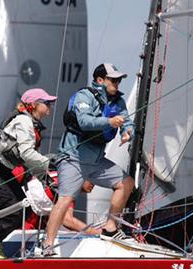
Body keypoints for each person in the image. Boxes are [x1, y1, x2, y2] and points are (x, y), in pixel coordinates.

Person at [44, 63, 135, 252]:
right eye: (113, 80)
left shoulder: (118, 101)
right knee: (65, 199)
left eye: (119, 80)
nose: (117, 83)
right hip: (73, 158)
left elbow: (126, 120)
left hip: (95, 161)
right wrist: (109, 121)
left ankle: (110, 228)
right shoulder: (85, 96)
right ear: (100, 80)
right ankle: (47, 244)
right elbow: (85, 122)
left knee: (126, 183)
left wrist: (127, 132)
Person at [0, 88, 57, 259]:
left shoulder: (29, 122)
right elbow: (26, 154)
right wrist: (50, 164)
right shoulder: (24, 122)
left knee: (22, 207)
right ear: (33, 105)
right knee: (14, 211)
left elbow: (25, 158)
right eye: (46, 103)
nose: (50, 107)